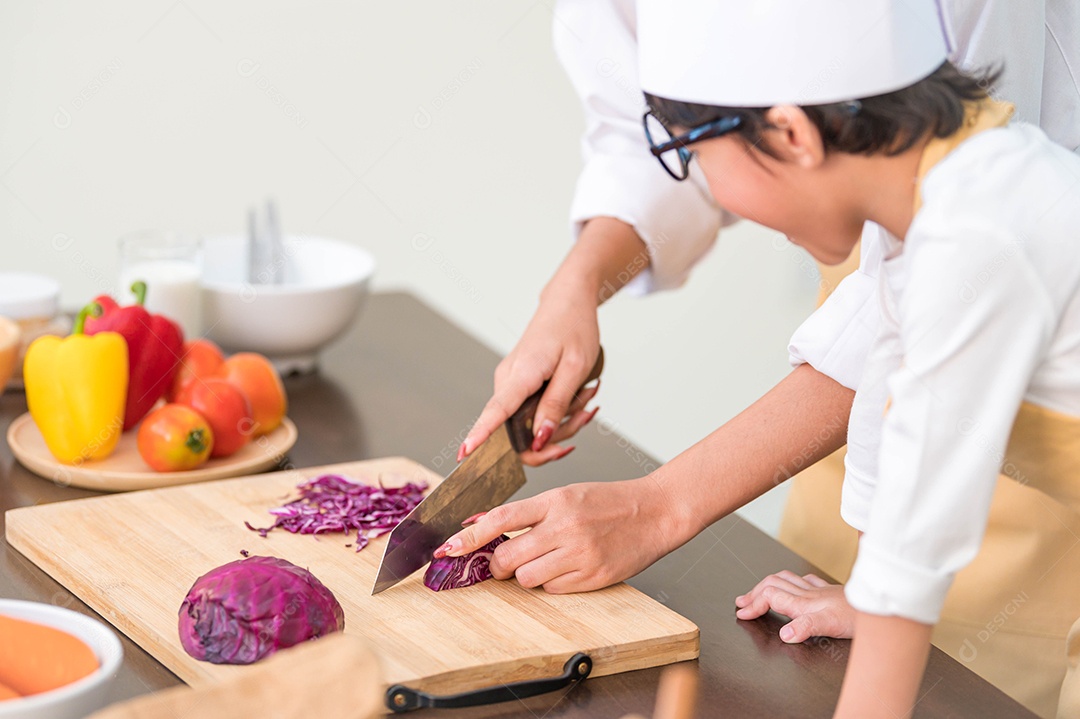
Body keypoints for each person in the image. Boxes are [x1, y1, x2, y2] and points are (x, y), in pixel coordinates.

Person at [442, 0, 1080, 716]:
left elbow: (917, 542)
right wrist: (869, 595)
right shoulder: (941, 200)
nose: (706, 186)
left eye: (698, 155)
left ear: (791, 132)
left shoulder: (975, 245)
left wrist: (882, 601)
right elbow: (888, 418)